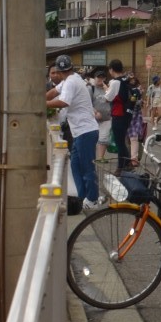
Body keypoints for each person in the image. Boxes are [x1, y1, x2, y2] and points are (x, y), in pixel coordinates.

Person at [48, 55, 99, 210]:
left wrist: (42, 104)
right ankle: (82, 196)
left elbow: (63, 102)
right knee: (75, 165)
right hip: (80, 131)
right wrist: (40, 98)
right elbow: (54, 91)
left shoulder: (70, 82)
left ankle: (93, 199)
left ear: (58, 70)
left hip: (86, 131)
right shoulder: (72, 78)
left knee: (86, 167)